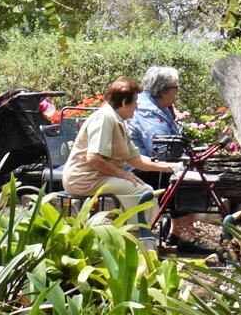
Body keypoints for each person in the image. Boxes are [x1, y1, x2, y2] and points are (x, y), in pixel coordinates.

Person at [131, 66, 207, 250]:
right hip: (140, 168)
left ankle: (176, 232)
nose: (178, 91)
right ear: (164, 89)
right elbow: (162, 147)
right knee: (189, 181)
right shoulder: (148, 110)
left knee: (188, 172)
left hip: (150, 164)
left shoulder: (160, 107)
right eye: (176, 87)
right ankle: (184, 236)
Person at [63, 80, 169, 209]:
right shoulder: (105, 118)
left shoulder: (117, 119)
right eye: (135, 101)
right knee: (142, 191)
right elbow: (94, 158)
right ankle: (138, 229)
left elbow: (136, 160)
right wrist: (124, 174)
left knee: (141, 187)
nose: (137, 106)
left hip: (100, 177)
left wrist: (171, 167)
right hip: (85, 180)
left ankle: (135, 227)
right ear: (124, 102)